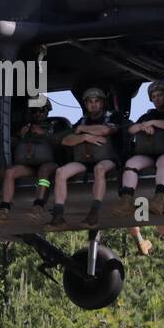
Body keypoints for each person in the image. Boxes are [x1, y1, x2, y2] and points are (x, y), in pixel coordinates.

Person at [50, 87, 122, 228]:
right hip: (83, 161)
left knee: (99, 169)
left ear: (102, 103)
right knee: (60, 172)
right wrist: (85, 137)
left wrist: (83, 131)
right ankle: (58, 214)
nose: (93, 104)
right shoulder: (82, 121)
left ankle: (94, 212)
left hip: (107, 160)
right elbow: (66, 140)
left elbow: (106, 130)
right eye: (90, 102)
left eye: (97, 101)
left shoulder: (112, 117)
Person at [0, 99, 68, 223]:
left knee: (44, 172)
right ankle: (4, 209)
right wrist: (20, 135)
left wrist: (44, 134)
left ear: (47, 111)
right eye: (34, 111)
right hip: (28, 165)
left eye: (41, 110)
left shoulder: (57, 125)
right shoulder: (25, 127)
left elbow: (62, 142)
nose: (37, 114)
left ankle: (38, 206)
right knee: (10, 173)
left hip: (49, 164)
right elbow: (12, 143)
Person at [115, 80, 164, 217]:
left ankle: (158, 200)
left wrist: (153, 123)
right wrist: (142, 126)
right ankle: (126, 201)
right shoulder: (147, 116)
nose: (157, 99)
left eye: (160, 95)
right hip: (147, 153)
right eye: (154, 96)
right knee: (131, 164)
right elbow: (131, 129)